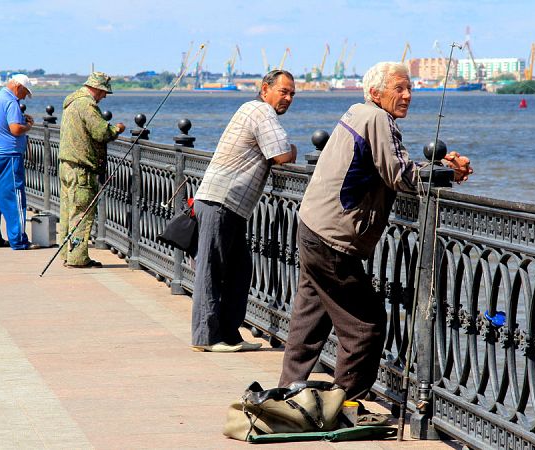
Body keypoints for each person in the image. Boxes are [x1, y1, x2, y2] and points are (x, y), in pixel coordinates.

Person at [278, 62, 473, 403]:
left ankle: (288, 389)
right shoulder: (378, 119)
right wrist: (444, 171)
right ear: (375, 92)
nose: (408, 95)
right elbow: (401, 175)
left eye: (409, 88)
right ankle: (348, 403)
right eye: (399, 88)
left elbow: (388, 167)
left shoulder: (357, 112)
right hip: (333, 237)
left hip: (312, 225)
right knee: (365, 325)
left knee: (309, 317)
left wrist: (439, 169)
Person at [191, 70, 298, 353]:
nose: (287, 98)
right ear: (265, 90)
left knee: (239, 270)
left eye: (291, 94)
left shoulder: (254, 109)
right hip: (221, 201)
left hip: (231, 205)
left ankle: (228, 334)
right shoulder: (260, 110)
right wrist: (294, 149)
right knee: (211, 270)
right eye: (283, 91)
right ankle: (206, 338)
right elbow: (281, 155)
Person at [57, 72, 126, 268]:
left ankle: (66, 254)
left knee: (68, 210)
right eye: (104, 92)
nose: (104, 97)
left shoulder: (71, 102)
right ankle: (78, 258)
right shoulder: (86, 104)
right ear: (97, 88)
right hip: (81, 169)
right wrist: (117, 129)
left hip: (66, 165)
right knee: (82, 212)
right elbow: (101, 132)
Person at [0, 74, 39, 250]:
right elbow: (15, 129)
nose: (24, 97)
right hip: (9, 156)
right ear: (18, 86)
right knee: (15, 198)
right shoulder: (11, 102)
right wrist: (28, 126)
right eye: (25, 92)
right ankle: (19, 240)